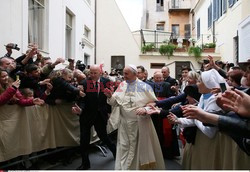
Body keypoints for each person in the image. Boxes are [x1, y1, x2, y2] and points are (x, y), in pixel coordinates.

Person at [104, 64, 165, 170]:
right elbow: (115, 103)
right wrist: (110, 96)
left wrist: (145, 109)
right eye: (123, 73)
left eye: (126, 74)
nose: (124, 76)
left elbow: (153, 103)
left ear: (134, 74)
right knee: (124, 147)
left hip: (140, 124)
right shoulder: (122, 85)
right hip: (124, 124)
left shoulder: (145, 86)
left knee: (139, 150)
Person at [71, 65, 116, 170]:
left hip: (101, 115)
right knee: (84, 140)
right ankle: (85, 164)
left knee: (104, 136)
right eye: (91, 72)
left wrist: (109, 112)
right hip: (86, 115)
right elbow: (82, 100)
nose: (92, 75)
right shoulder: (84, 83)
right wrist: (80, 110)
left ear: (100, 72)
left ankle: (115, 152)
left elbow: (110, 97)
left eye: (95, 73)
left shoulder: (106, 81)